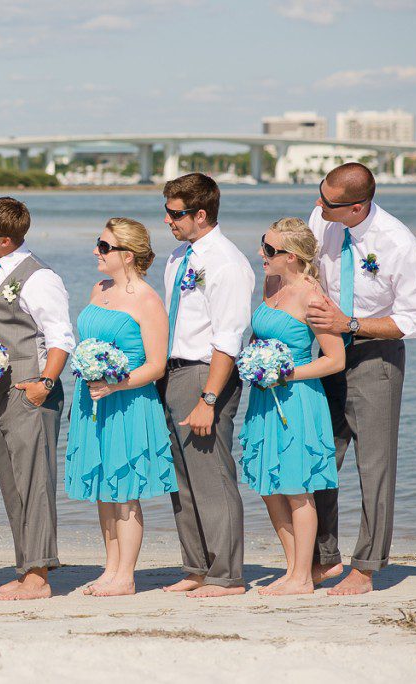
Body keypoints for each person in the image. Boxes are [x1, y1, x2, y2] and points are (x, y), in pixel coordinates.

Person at [306, 163, 416, 595]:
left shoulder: (396, 242)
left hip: (375, 355)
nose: (318, 205)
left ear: (357, 207)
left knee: (374, 464)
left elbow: (413, 321)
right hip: (325, 352)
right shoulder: (322, 219)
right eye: (319, 194)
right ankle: (323, 558)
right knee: (319, 455)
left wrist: (351, 323)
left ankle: (366, 566)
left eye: (328, 202)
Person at [65, 218, 176, 597]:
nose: (96, 250)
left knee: (124, 489)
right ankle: (110, 568)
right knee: (102, 488)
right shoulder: (99, 288)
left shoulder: (147, 300)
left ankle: (126, 576)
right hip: (91, 399)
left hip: (128, 401)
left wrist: (116, 384)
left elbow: (157, 364)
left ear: (127, 256)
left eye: (104, 245)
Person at [0, 197, 75, 601]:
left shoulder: (39, 277)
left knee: (34, 481)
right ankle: (25, 564)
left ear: (3, 240)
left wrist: (43, 384)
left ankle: (39, 575)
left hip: (31, 390)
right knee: (12, 482)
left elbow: (60, 337)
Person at [158, 173, 254, 598]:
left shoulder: (226, 262)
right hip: (172, 371)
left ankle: (227, 574)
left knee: (212, 474)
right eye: (167, 211)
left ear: (201, 214)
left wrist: (209, 398)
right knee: (182, 478)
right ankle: (196, 566)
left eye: (176, 214)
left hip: (205, 373)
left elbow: (229, 337)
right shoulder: (179, 256)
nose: (168, 220)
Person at [239, 218, 343, 596]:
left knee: (297, 488)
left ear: (293, 256)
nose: (261, 254)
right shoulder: (272, 285)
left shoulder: (313, 297)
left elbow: (334, 359)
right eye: (262, 246)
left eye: (269, 250)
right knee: (269, 486)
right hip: (264, 398)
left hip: (297, 398)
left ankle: (302, 576)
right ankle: (293, 568)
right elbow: (259, 334)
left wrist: (287, 373)